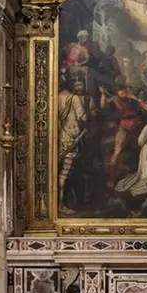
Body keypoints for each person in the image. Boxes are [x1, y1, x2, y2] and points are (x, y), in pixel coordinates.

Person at [100, 85, 147, 187]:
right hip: (124, 127)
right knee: (117, 151)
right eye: (119, 91)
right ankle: (112, 179)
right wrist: (102, 93)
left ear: (125, 90)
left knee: (145, 150)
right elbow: (103, 106)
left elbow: (144, 106)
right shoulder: (115, 99)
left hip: (136, 126)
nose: (121, 93)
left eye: (123, 91)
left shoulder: (132, 98)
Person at [59, 77, 86, 213]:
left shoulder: (56, 97)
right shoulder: (74, 98)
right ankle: (60, 206)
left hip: (60, 136)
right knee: (65, 173)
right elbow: (83, 117)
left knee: (60, 170)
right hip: (71, 137)